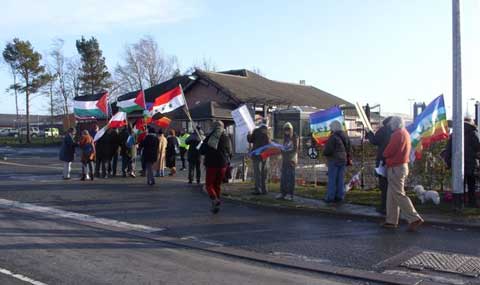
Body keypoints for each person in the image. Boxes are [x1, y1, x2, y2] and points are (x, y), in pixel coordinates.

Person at [383, 116, 423, 231]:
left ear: (395, 124)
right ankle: (391, 220)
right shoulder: (405, 133)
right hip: (401, 166)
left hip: (396, 167)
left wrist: (384, 154)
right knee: (391, 194)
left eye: (391, 124)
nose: (390, 126)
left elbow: (388, 151)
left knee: (398, 194)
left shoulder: (396, 134)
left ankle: (414, 218)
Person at [445, 117, 480, 209]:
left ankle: (460, 203)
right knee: (471, 184)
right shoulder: (473, 133)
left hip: (457, 164)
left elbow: (449, 149)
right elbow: (478, 148)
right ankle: (472, 202)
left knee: (460, 184)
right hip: (471, 163)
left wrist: (448, 162)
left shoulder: (455, 133)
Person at [200, 121, 232, 214]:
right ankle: (216, 203)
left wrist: (203, 144)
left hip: (211, 164)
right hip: (223, 165)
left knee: (209, 185)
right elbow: (230, 152)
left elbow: (202, 151)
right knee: (217, 185)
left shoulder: (209, 137)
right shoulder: (226, 137)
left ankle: (215, 200)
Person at [366, 117, 393, 214]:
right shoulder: (397, 131)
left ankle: (384, 206)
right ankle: (392, 207)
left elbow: (374, 141)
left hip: (383, 160)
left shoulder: (383, 130)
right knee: (392, 185)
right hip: (393, 161)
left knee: (384, 184)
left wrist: (369, 133)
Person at [323, 120, 352, 204]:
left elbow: (328, 150)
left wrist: (324, 152)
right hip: (343, 160)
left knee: (332, 179)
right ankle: (340, 196)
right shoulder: (345, 136)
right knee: (340, 179)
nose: (330, 129)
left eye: (331, 127)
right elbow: (349, 148)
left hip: (334, 160)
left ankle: (330, 197)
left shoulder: (333, 137)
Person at [247, 120, 271, 195]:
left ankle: (258, 189)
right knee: (264, 173)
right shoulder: (268, 132)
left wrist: (249, 134)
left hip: (257, 155)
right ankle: (264, 189)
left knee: (258, 173)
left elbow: (250, 140)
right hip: (265, 155)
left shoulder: (256, 131)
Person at [277, 122, 299, 201]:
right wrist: (281, 151)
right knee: (283, 178)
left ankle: (290, 194)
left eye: (288, 130)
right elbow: (284, 148)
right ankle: (283, 193)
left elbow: (295, 150)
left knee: (290, 178)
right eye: (285, 130)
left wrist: (285, 152)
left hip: (291, 161)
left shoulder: (294, 137)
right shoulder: (285, 138)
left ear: (291, 130)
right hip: (285, 160)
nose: (287, 131)